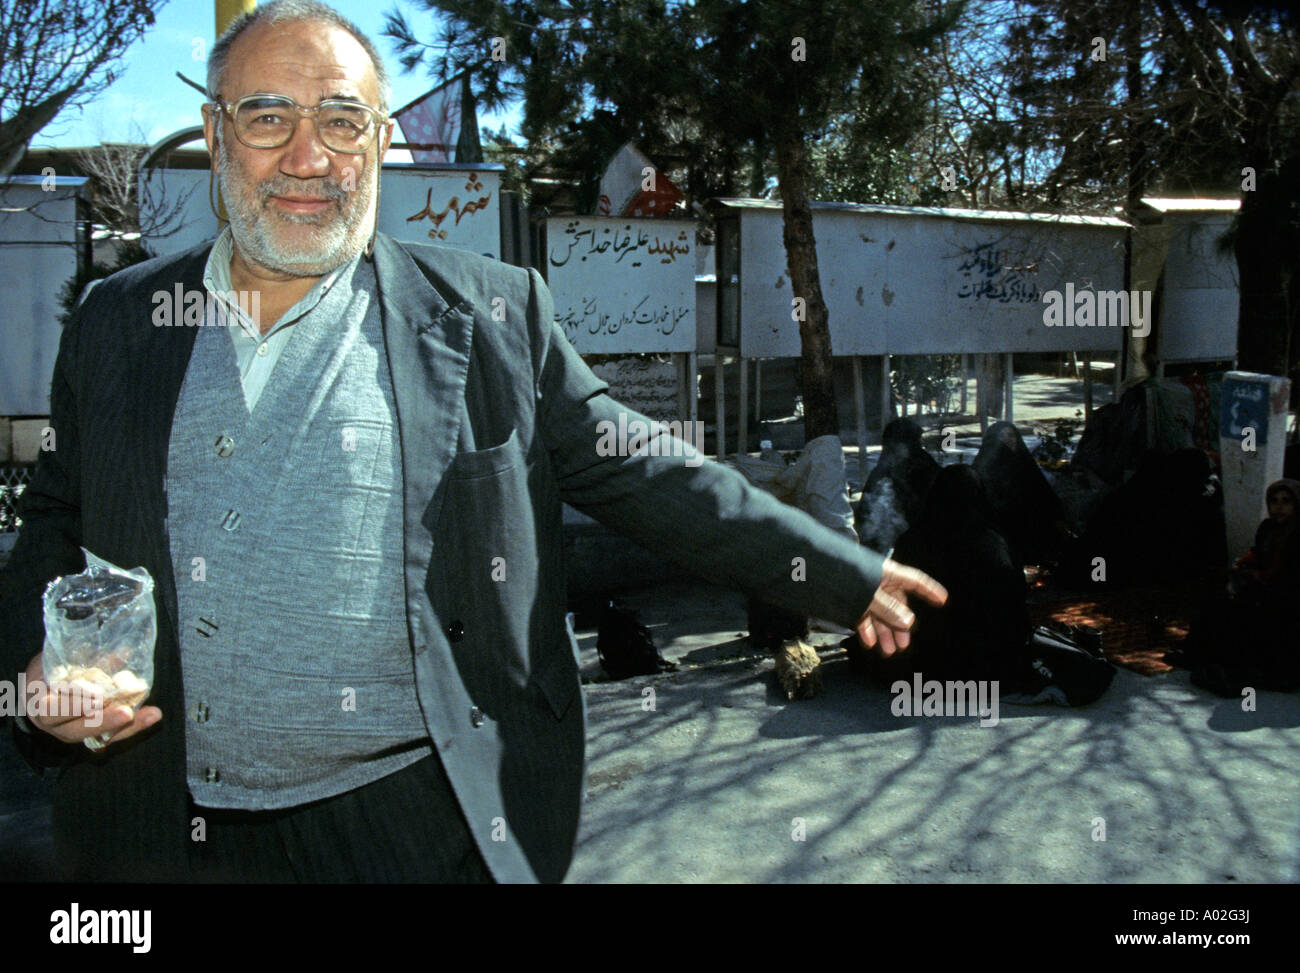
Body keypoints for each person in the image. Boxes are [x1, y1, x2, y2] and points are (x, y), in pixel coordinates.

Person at [0, 0, 945, 883]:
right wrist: (37, 670)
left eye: (341, 121)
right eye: (266, 118)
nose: (308, 156)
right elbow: (56, 517)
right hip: (157, 829)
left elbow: (651, 472)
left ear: (377, 145)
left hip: (411, 826)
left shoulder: (491, 316)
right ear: (214, 137)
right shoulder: (118, 320)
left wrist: (838, 570)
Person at [1187, 478, 1300, 696]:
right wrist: (1244, 565)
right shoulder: (1269, 527)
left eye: (1286, 502)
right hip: (1265, 590)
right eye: (1274, 501)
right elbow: (1257, 553)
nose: (1279, 507)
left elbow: (1289, 574)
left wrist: (1261, 577)